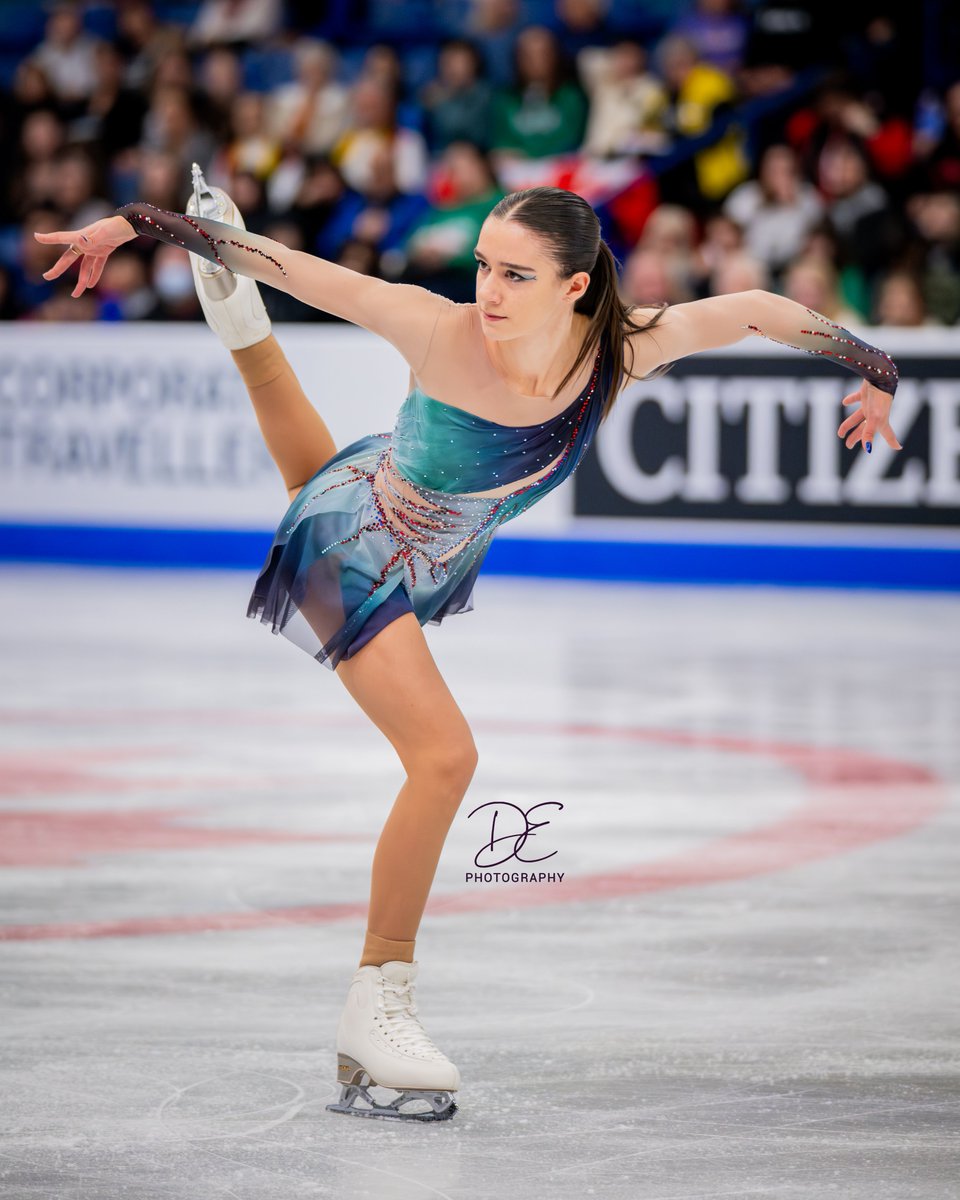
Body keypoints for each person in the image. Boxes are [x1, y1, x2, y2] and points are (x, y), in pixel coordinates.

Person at [34, 178, 902, 1122]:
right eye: (484, 265)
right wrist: (132, 224)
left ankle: (242, 333)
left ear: (575, 288)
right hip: (359, 540)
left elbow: (757, 309)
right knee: (444, 756)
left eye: (515, 275)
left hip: (419, 528)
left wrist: (873, 365)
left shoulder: (621, 349)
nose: (487, 290)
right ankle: (380, 997)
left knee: (309, 476)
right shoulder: (436, 328)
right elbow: (294, 264)